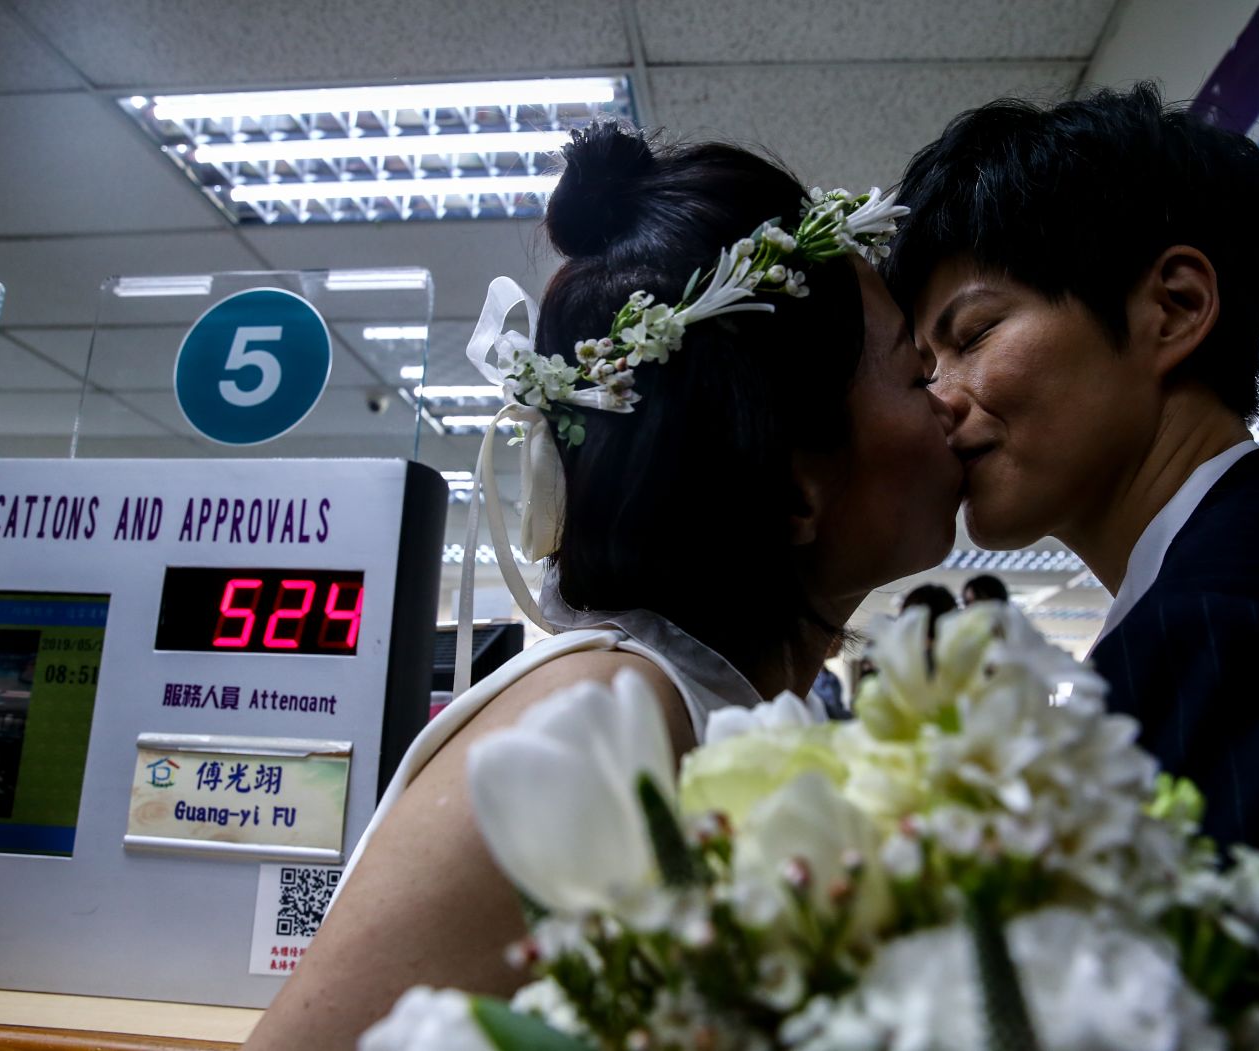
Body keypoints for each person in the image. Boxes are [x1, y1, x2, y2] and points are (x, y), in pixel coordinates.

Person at [245, 125, 963, 1050]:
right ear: (795, 483)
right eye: (915, 370)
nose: (950, 396)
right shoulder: (605, 713)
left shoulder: (724, 707)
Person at [885, 83, 1259, 1049]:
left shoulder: (1229, 625)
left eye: (974, 333)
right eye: (923, 366)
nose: (939, 401)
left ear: (1175, 308)